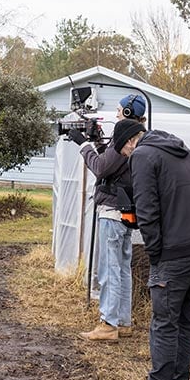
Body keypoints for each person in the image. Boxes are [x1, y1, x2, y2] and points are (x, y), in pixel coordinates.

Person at [112, 117, 190, 380]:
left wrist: (155, 253)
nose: (127, 158)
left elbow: (146, 208)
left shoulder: (143, 155)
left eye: (123, 153)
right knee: (186, 320)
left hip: (174, 253)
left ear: (129, 142)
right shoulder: (184, 152)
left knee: (165, 323)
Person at [65, 94, 148, 341]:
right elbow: (112, 163)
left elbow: (101, 168)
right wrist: (98, 143)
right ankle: (123, 321)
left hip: (111, 213)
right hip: (125, 213)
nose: (117, 114)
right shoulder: (139, 137)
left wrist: (83, 145)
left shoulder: (126, 135)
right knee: (122, 268)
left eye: (120, 110)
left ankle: (108, 324)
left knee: (108, 269)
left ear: (129, 113)